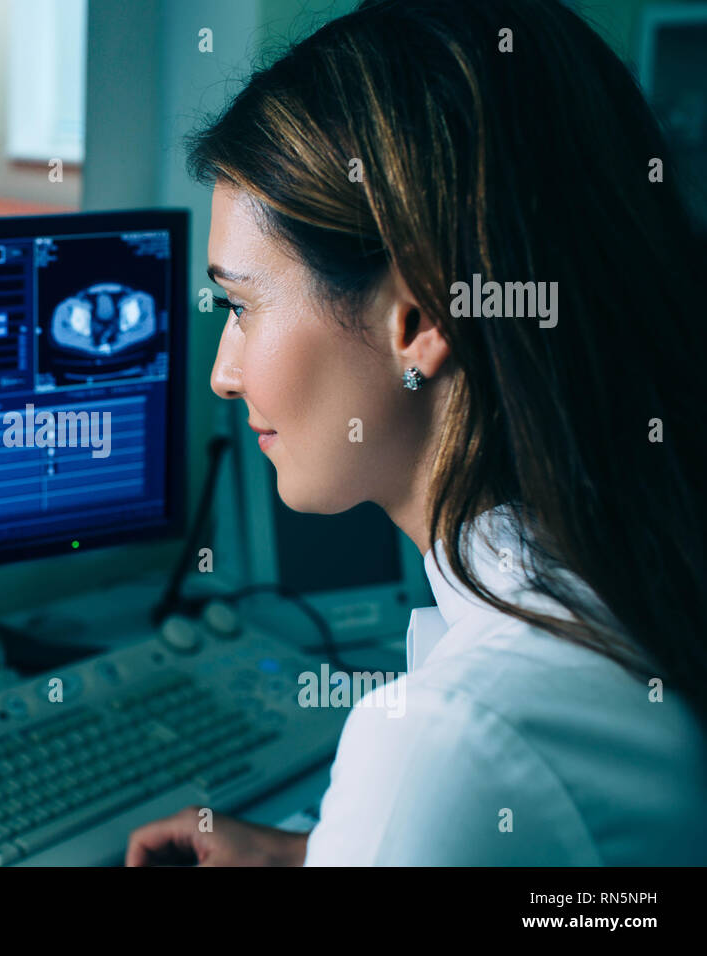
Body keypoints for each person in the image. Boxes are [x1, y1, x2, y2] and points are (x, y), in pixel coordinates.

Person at [127, 0, 707, 866]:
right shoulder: (633, 580)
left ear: (419, 315)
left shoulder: (451, 743)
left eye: (243, 306)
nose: (224, 371)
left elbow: (480, 778)